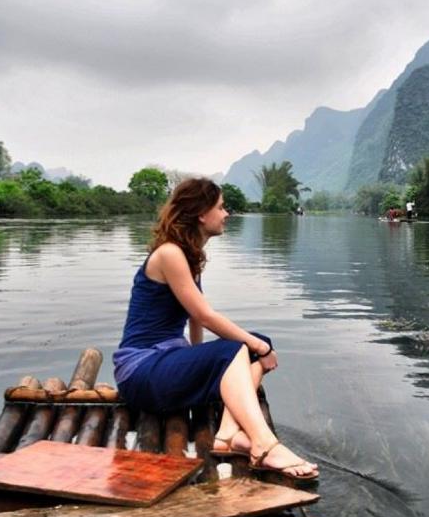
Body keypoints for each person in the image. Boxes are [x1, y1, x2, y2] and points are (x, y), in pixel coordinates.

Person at [113, 177, 318, 480]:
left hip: (165, 364)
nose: (226, 214)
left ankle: (227, 434)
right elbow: (205, 315)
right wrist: (247, 351)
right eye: (221, 207)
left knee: (255, 344)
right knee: (244, 347)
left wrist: (202, 364)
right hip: (141, 371)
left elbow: (196, 320)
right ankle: (264, 444)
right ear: (200, 213)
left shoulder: (188, 256)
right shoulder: (170, 253)